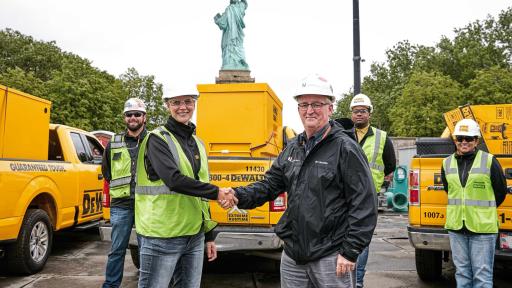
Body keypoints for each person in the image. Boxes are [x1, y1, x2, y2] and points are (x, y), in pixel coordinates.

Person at [222, 74, 378, 288]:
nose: (309, 110)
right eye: (303, 104)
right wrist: (239, 195)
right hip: (293, 255)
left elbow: (365, 204)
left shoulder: (346, 148)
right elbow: (270, 185)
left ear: (330, 108)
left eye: (317, 104)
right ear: (298, 109)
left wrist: (350, 252)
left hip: (331, 255)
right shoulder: (294, 147)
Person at [135, 87, 235, 288]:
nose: (183, 107)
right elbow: (173, 179)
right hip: (161, 236)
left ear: (195, 103)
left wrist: (208, 236)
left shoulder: (198, 143)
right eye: (176, 102)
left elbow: (201, 190)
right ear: (167, 105)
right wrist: (217, 192)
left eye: (188, 101)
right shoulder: (157, 139)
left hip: (194, 235)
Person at [441, 119, 507, 288]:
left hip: (482, 229)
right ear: (455, 140)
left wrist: (481, 212)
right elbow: (450, 190)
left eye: (469, 138)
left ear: (476, 140)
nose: (464, 142)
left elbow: (500, 192)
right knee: (462, 274)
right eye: (460, 138)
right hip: (457, 228)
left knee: (482, 276)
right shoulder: (446, 163)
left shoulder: (490, 161)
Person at [349, 93, 396, 288]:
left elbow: (390, 165)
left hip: (368, 195)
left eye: (363, 111)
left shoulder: (381, 137)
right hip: (343, 194)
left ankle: (357, 282)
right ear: (351, 114)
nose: (359, 114)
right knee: (341, 237)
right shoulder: (343, 133)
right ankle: (344, 280)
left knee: (362, 239)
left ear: (369, 113)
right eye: (355, 111)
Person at [102, 98, 148, 288]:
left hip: (147, 203)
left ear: (144, 117)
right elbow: (107, 171)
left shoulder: (153, 140)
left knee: (148, 250)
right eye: (129, 115)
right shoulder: (114, 142)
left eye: (137, 114)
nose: (133, 118)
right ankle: (111, 286)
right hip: (121, 204)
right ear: (125, 118)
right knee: (116, 250)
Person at [214, 0, 249, 70]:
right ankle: (234, 63)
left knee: (233, 47)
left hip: (233, 34)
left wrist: (217, 19)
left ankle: (235, 63)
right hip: (233, 34)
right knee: (234, 47)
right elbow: (223, 24)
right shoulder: (235, 8)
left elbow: (222, 24)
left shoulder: (234, 8)